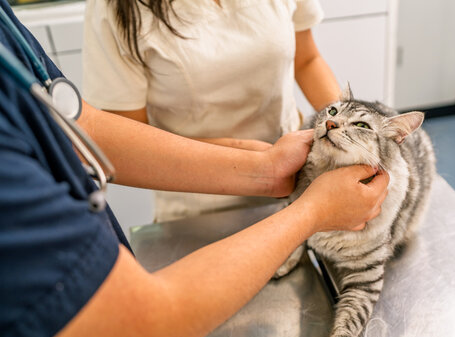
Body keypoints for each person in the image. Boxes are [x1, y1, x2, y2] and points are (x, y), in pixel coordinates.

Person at [0, 2, 389, 337]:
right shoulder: (115, 10)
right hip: (197, 208)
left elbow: (76, 122)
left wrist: (333, 143)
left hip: (295, 174)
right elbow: (138, 327)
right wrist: (311, 209)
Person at [83, 0, 343, 222]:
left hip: (297, 180)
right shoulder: (112, 8)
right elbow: (125, 146)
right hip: (201, 204)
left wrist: (347, 126)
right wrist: (260, 164)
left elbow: (308, 60)